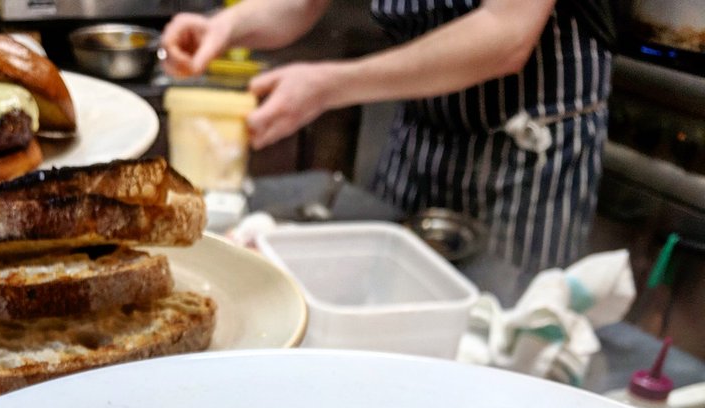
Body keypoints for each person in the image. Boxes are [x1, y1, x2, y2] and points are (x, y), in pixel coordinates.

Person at [161, 1, 616, 272]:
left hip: (526, 153)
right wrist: (225, 26)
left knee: (508, 342)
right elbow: (300, 6)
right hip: (421, 134)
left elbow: (506, 34)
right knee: (388, 302)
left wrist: (330, 86)